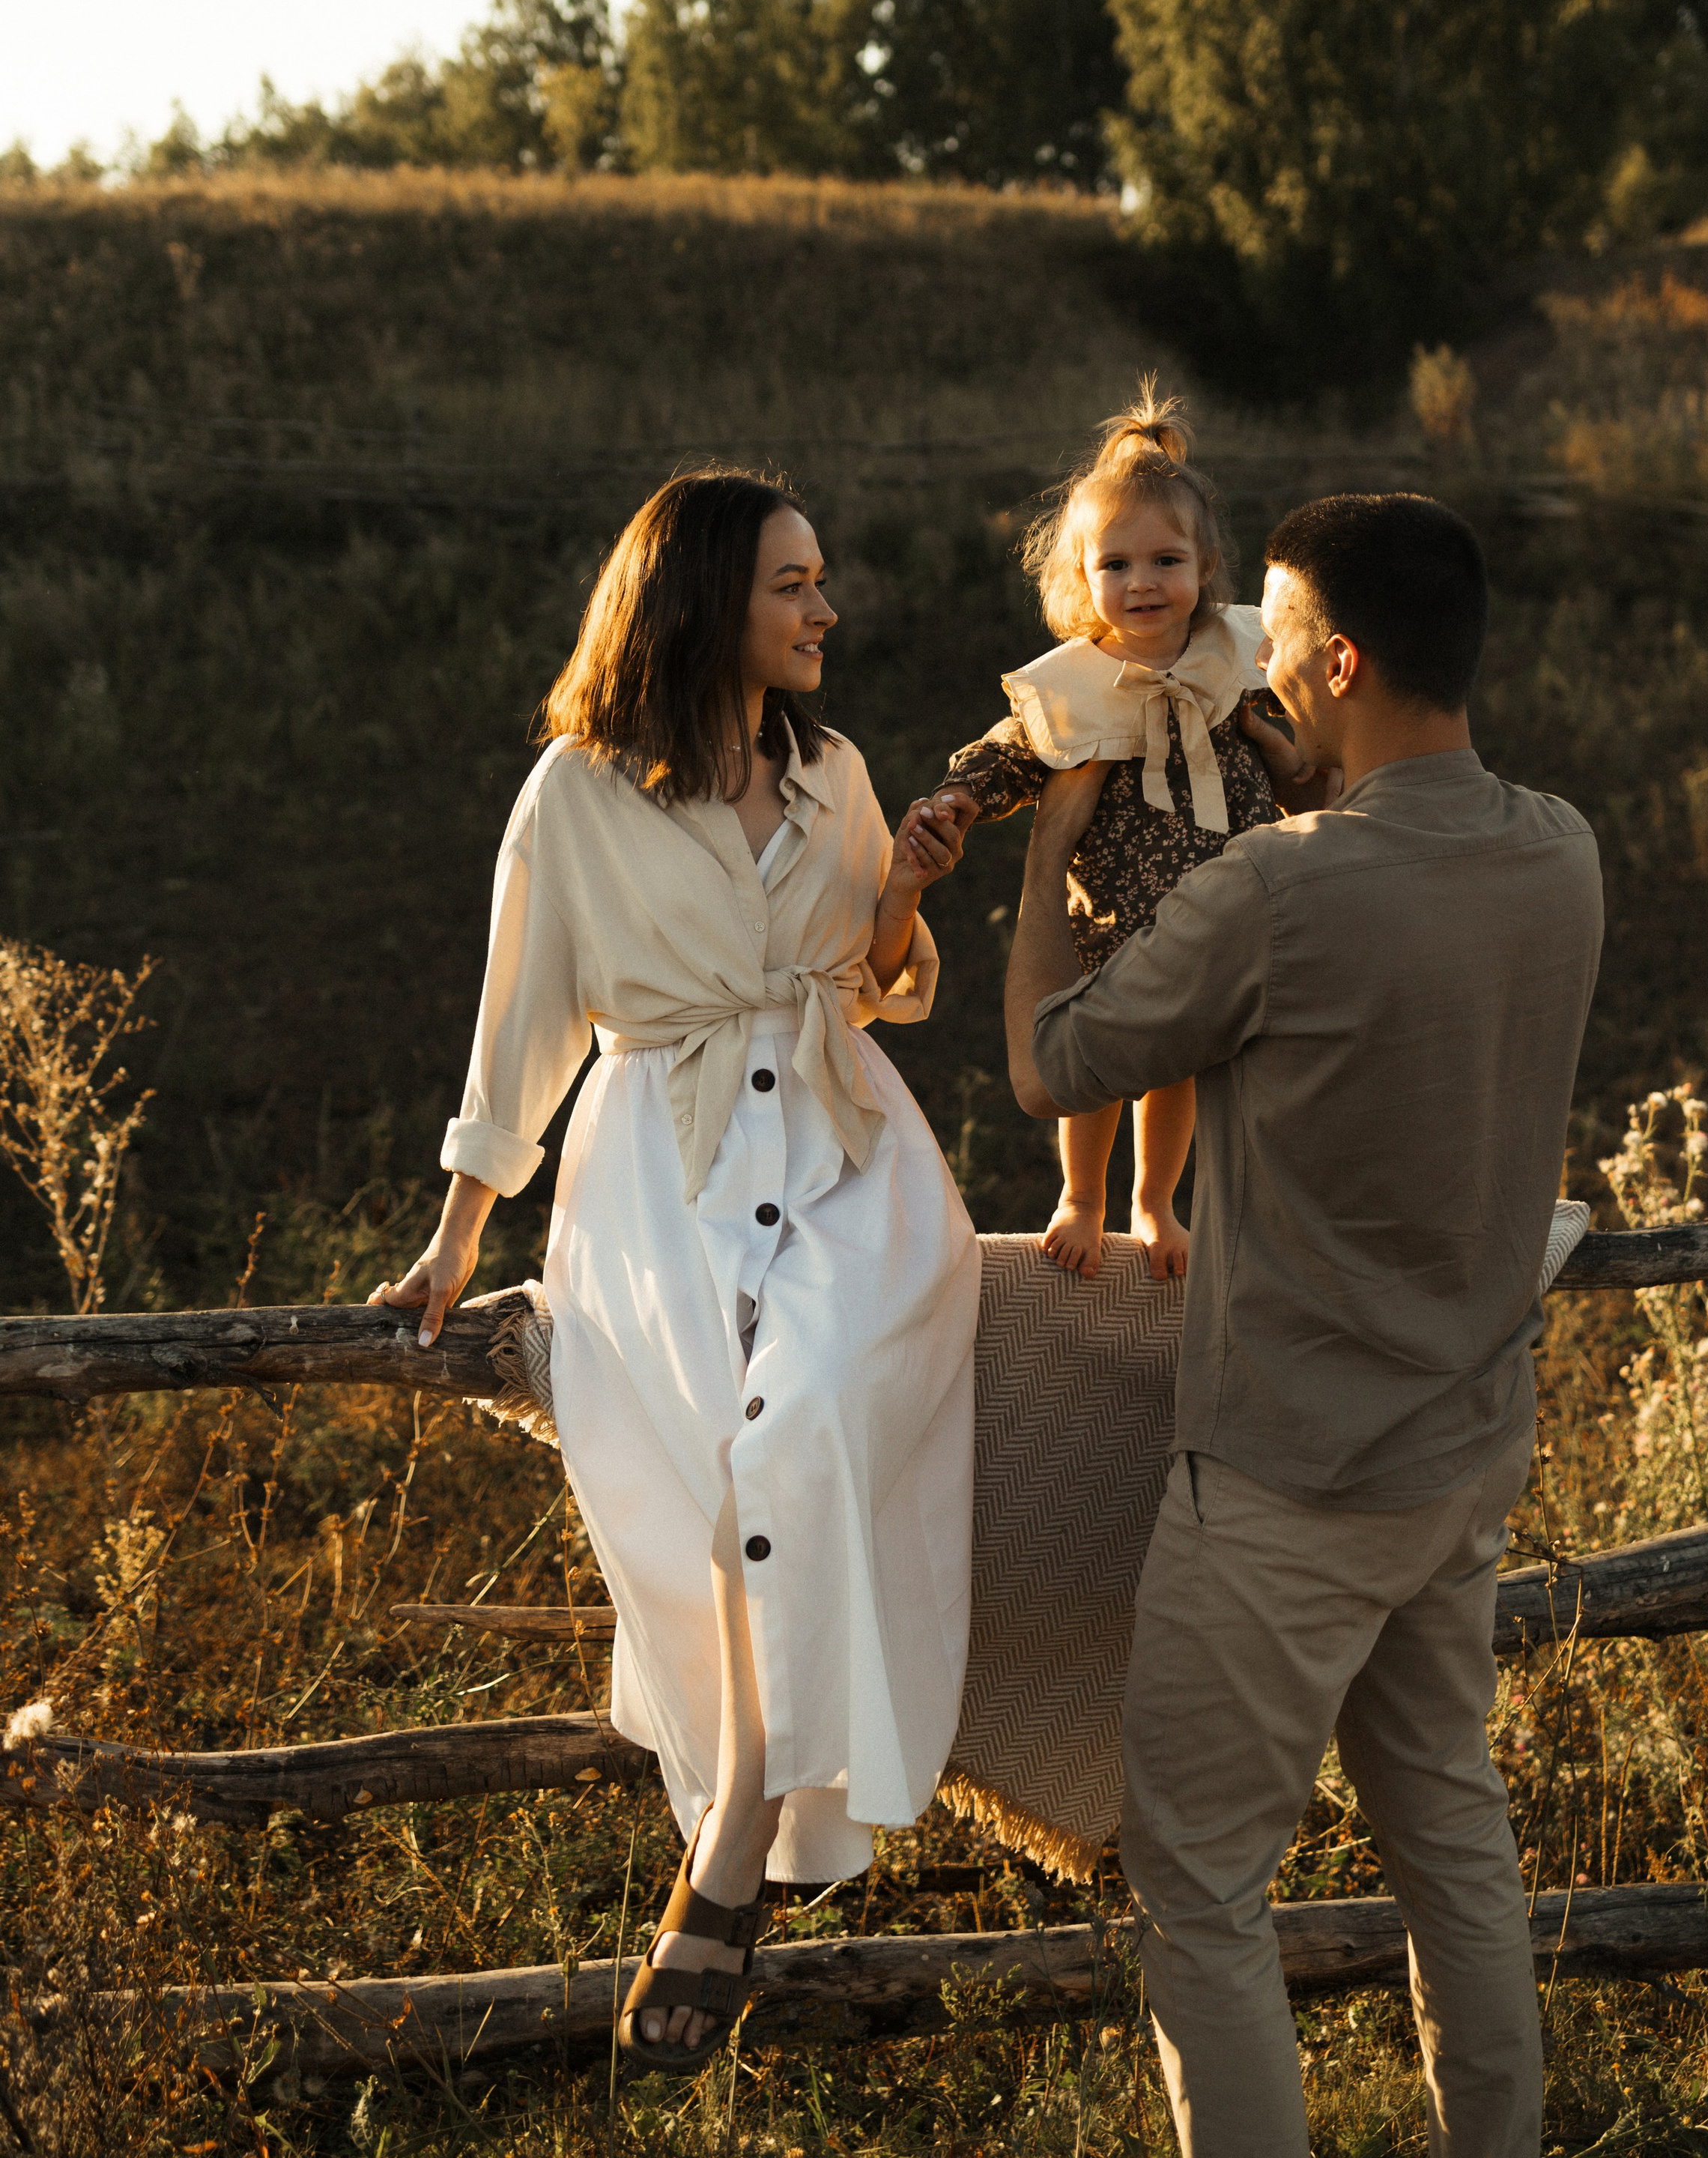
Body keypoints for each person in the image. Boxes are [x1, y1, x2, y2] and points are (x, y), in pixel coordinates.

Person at [1004, 492, 1604, 2158]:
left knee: (1197, 1883)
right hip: (1459, 1456)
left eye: (1270, 633)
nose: (1251, 662)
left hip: (1280, 1478)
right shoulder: (1559, 848)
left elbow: (1057, 1063)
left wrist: (1054, 845)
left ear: (1334, 661)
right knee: (1453, 1851)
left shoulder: (1277, 891)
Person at [370, 471, 980, 2074]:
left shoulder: (834, 769)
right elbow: (524, 1023)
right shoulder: (575, 792)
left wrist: (904, 894)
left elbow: (875, 982)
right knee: (728, 1488)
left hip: (848, 1157)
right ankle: (746, 1821)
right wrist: (455, 1239)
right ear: (707, 597)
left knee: (801, 1430)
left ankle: (727, 1848)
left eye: (822, 581)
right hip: (662, 1173)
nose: (823, 609)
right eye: (793, 583)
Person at [924, 386, 1318, 1281]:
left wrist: (1289, 751)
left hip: (1224, 913)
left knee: (1179, 1069)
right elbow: (1006, 755)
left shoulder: (1237, 658)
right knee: (1091, 1064)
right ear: (1082, 576)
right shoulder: (1073, 685)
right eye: (1117, 565)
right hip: (1107, 923)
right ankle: (1083, 1197)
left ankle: (1153, 1201)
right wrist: (957, 800)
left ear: (1206, 562)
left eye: (1166, 560)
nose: (1143, 583)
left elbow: (1312, 735)